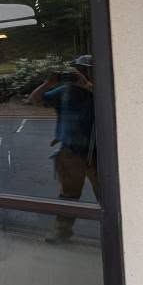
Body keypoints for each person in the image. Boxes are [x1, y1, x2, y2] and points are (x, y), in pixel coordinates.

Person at [30, 55, 98, 242]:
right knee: (68, 195)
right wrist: (48, 83)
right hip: (70, 152)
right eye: (78, 71)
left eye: (85, 71)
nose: (80, 74)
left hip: (99, 153)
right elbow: (35, 98)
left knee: (107, 195)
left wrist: (87, 85)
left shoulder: (100, 91)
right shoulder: (65, 91)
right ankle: (62, 230)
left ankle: (117, 231)